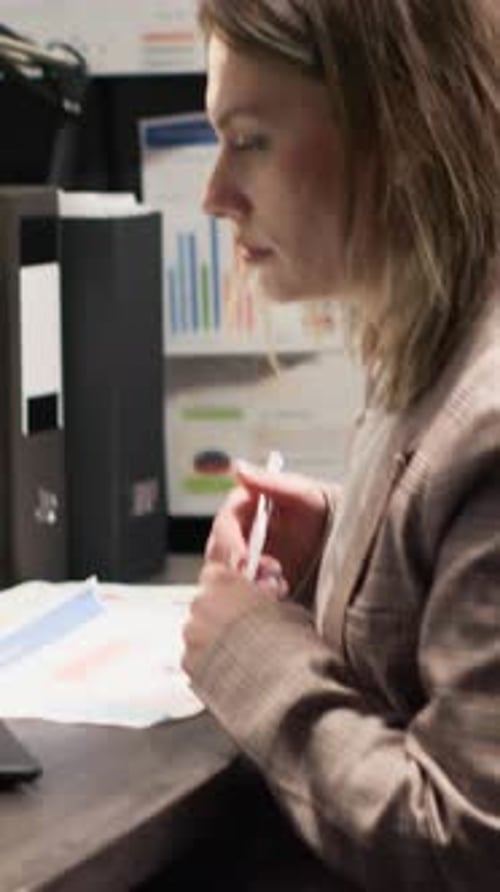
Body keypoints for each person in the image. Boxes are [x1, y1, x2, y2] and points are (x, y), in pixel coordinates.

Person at [182, 1, 500, 889]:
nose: (215, 194)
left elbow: (466, 843)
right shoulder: (436, 340)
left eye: (248, 140)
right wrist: (336, 554)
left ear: (396, 123)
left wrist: (251, 651)